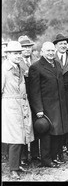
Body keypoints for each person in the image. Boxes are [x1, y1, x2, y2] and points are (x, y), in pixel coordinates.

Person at [28, 42, 68, 167]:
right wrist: (38, 109)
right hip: (46, 107)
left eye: (52, 50)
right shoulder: (36, 67)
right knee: (46, 134)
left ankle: (54, 156)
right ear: (42, 52)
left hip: (59, 106)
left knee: (57, 133)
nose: (51, 53)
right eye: (48, 51)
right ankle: (46, 160)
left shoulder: (57, 64)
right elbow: (34, 91)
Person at [2, 41, 35, 180]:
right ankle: (13, 169)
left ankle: (19, 163)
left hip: (22, 103)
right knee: (14, 138)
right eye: (15, 53)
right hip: (10, 105)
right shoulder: (4, 69)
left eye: (19, 53)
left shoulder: (20, 67)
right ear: (8, 54)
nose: (18, 56)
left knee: (23, 135)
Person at [53, 34, 68, 158]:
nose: (63, 46)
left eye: (64, 43)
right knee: (59, 119)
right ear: (56, 46)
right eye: (60, 44)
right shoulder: (52, 58)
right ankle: (59, 147)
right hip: (56, 94)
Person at [18, 35, 40, 165]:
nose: (26, 50)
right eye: (24, 47)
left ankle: (36, 154)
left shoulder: (36, 60)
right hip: (23, 99)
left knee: (36, 126)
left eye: (28, 47)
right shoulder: (17, 62)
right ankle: (24, 156)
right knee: (23, 127)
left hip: (36, 98)